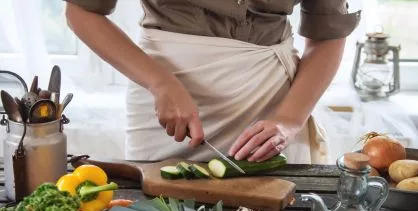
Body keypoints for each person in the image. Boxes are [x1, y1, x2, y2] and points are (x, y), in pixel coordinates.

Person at [64, 0, 360, 164]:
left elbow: (328, 34)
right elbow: (82, 11)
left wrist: (288, 119)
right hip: (163, 101)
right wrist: (160, 83)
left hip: (270, 103)